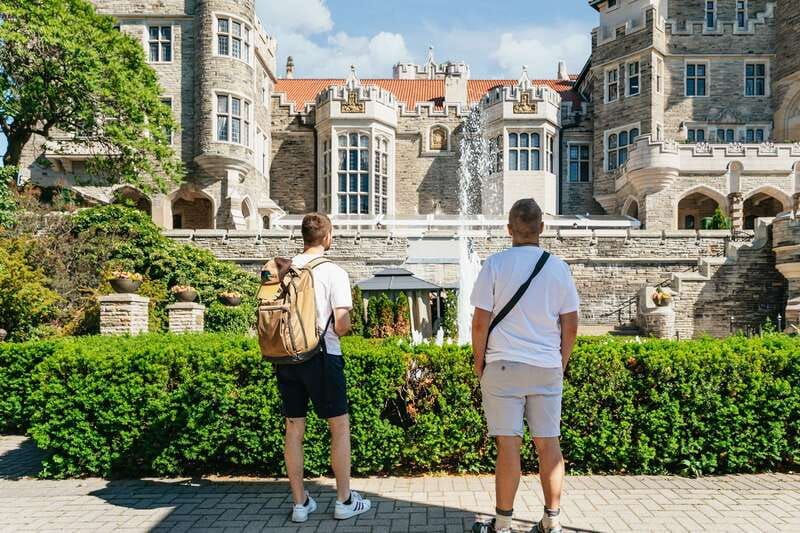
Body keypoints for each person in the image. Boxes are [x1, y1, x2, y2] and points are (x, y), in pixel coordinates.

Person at [470, 199, 580, 533]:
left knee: (508, 446)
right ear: (541, 228)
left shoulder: (494, 265)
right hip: (546, 366)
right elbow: (571, 323)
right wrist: (559, 363)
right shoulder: (558, 268)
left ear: (509, 229)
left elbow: (479, 324)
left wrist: (480, 365)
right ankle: (552, 520)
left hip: (503, 367)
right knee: (549, 444)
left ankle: (502, 523)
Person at [273, 212, 372, 523]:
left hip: (286, 357)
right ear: (328, 238)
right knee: (339, 428)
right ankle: (344, 500)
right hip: (322, 355)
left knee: (294, 428)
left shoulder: (285, 269)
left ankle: (300, 504)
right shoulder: (334, 272)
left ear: (303, 238)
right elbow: (341, 325)